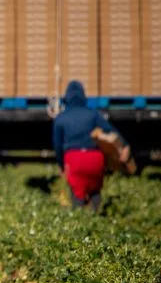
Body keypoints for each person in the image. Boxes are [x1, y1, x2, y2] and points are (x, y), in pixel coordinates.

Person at [53, 80, 125, 211]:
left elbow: (58, 146)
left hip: (74, 160)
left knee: (77, 195)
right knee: (95, 191)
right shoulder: (93, 114)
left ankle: (80, 219)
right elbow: (111, 131)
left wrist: (61, 165)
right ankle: (95, 215)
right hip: (95, 159)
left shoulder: (61, 118)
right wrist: (124, 145)